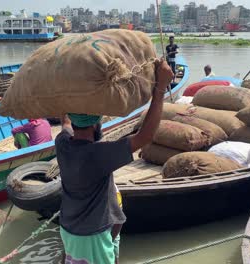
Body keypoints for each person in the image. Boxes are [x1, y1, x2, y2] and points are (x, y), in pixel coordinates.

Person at [56, 59, 174, 264]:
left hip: (69, 227)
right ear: (96, 125)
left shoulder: (63, 143)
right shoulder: (98, 155)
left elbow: (65, 121)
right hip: (90, 235)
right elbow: (145, 137)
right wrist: (160, 89)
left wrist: (68, 92)